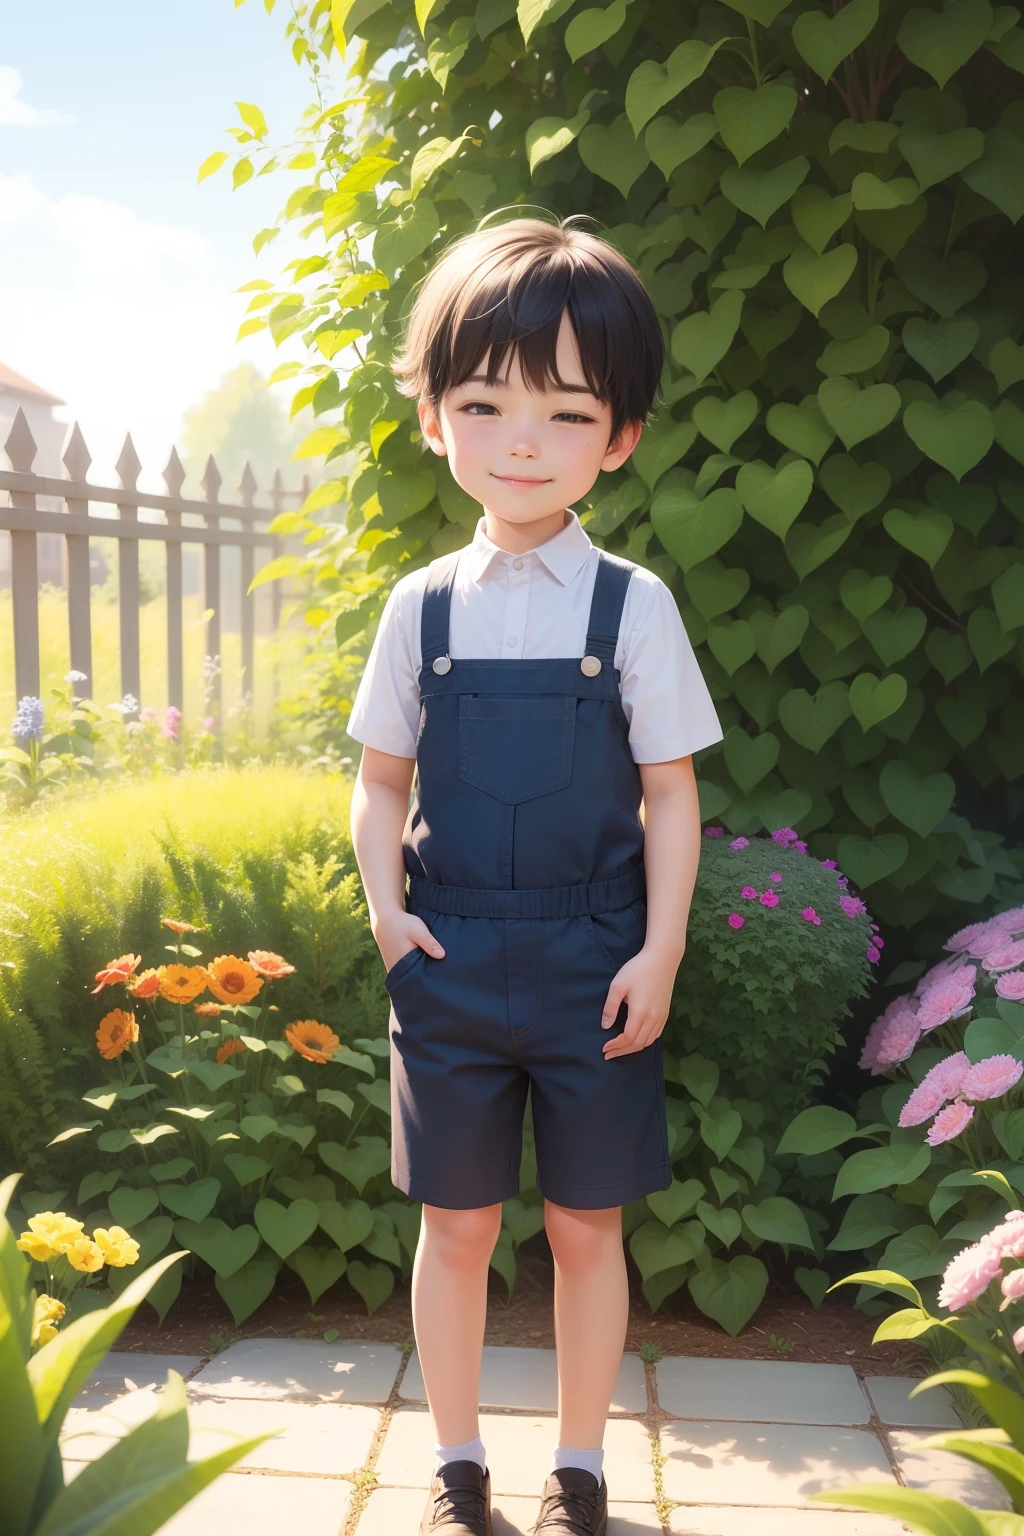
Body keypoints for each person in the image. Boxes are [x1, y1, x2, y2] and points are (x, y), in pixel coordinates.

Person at [347, 214, 723, 1536]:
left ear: (617, 437)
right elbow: (380, 780)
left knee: (583, 1231)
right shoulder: (419, 609)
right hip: (447, 961)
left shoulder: (633, 607)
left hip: (592, 965)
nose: (520, 442)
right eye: (484, 403)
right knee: (454, 1228)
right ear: (435, 418)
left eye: (566, 415)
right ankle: (456, 1468)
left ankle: (581, 1470)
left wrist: (659, 950)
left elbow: (671, 792)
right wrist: (388, 915)